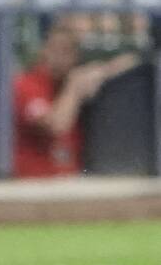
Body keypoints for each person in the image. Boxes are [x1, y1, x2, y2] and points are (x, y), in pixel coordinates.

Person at [14, 25, 136, 178]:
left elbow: (128, 62)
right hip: (34, 183)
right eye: (54, 49)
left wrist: (104, 71)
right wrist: (74, 88)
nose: (59, 57)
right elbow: (55, 126)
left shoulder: (67, 81)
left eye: (67, 51)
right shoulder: (28, 84)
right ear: (44, 50)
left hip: (71, 180)